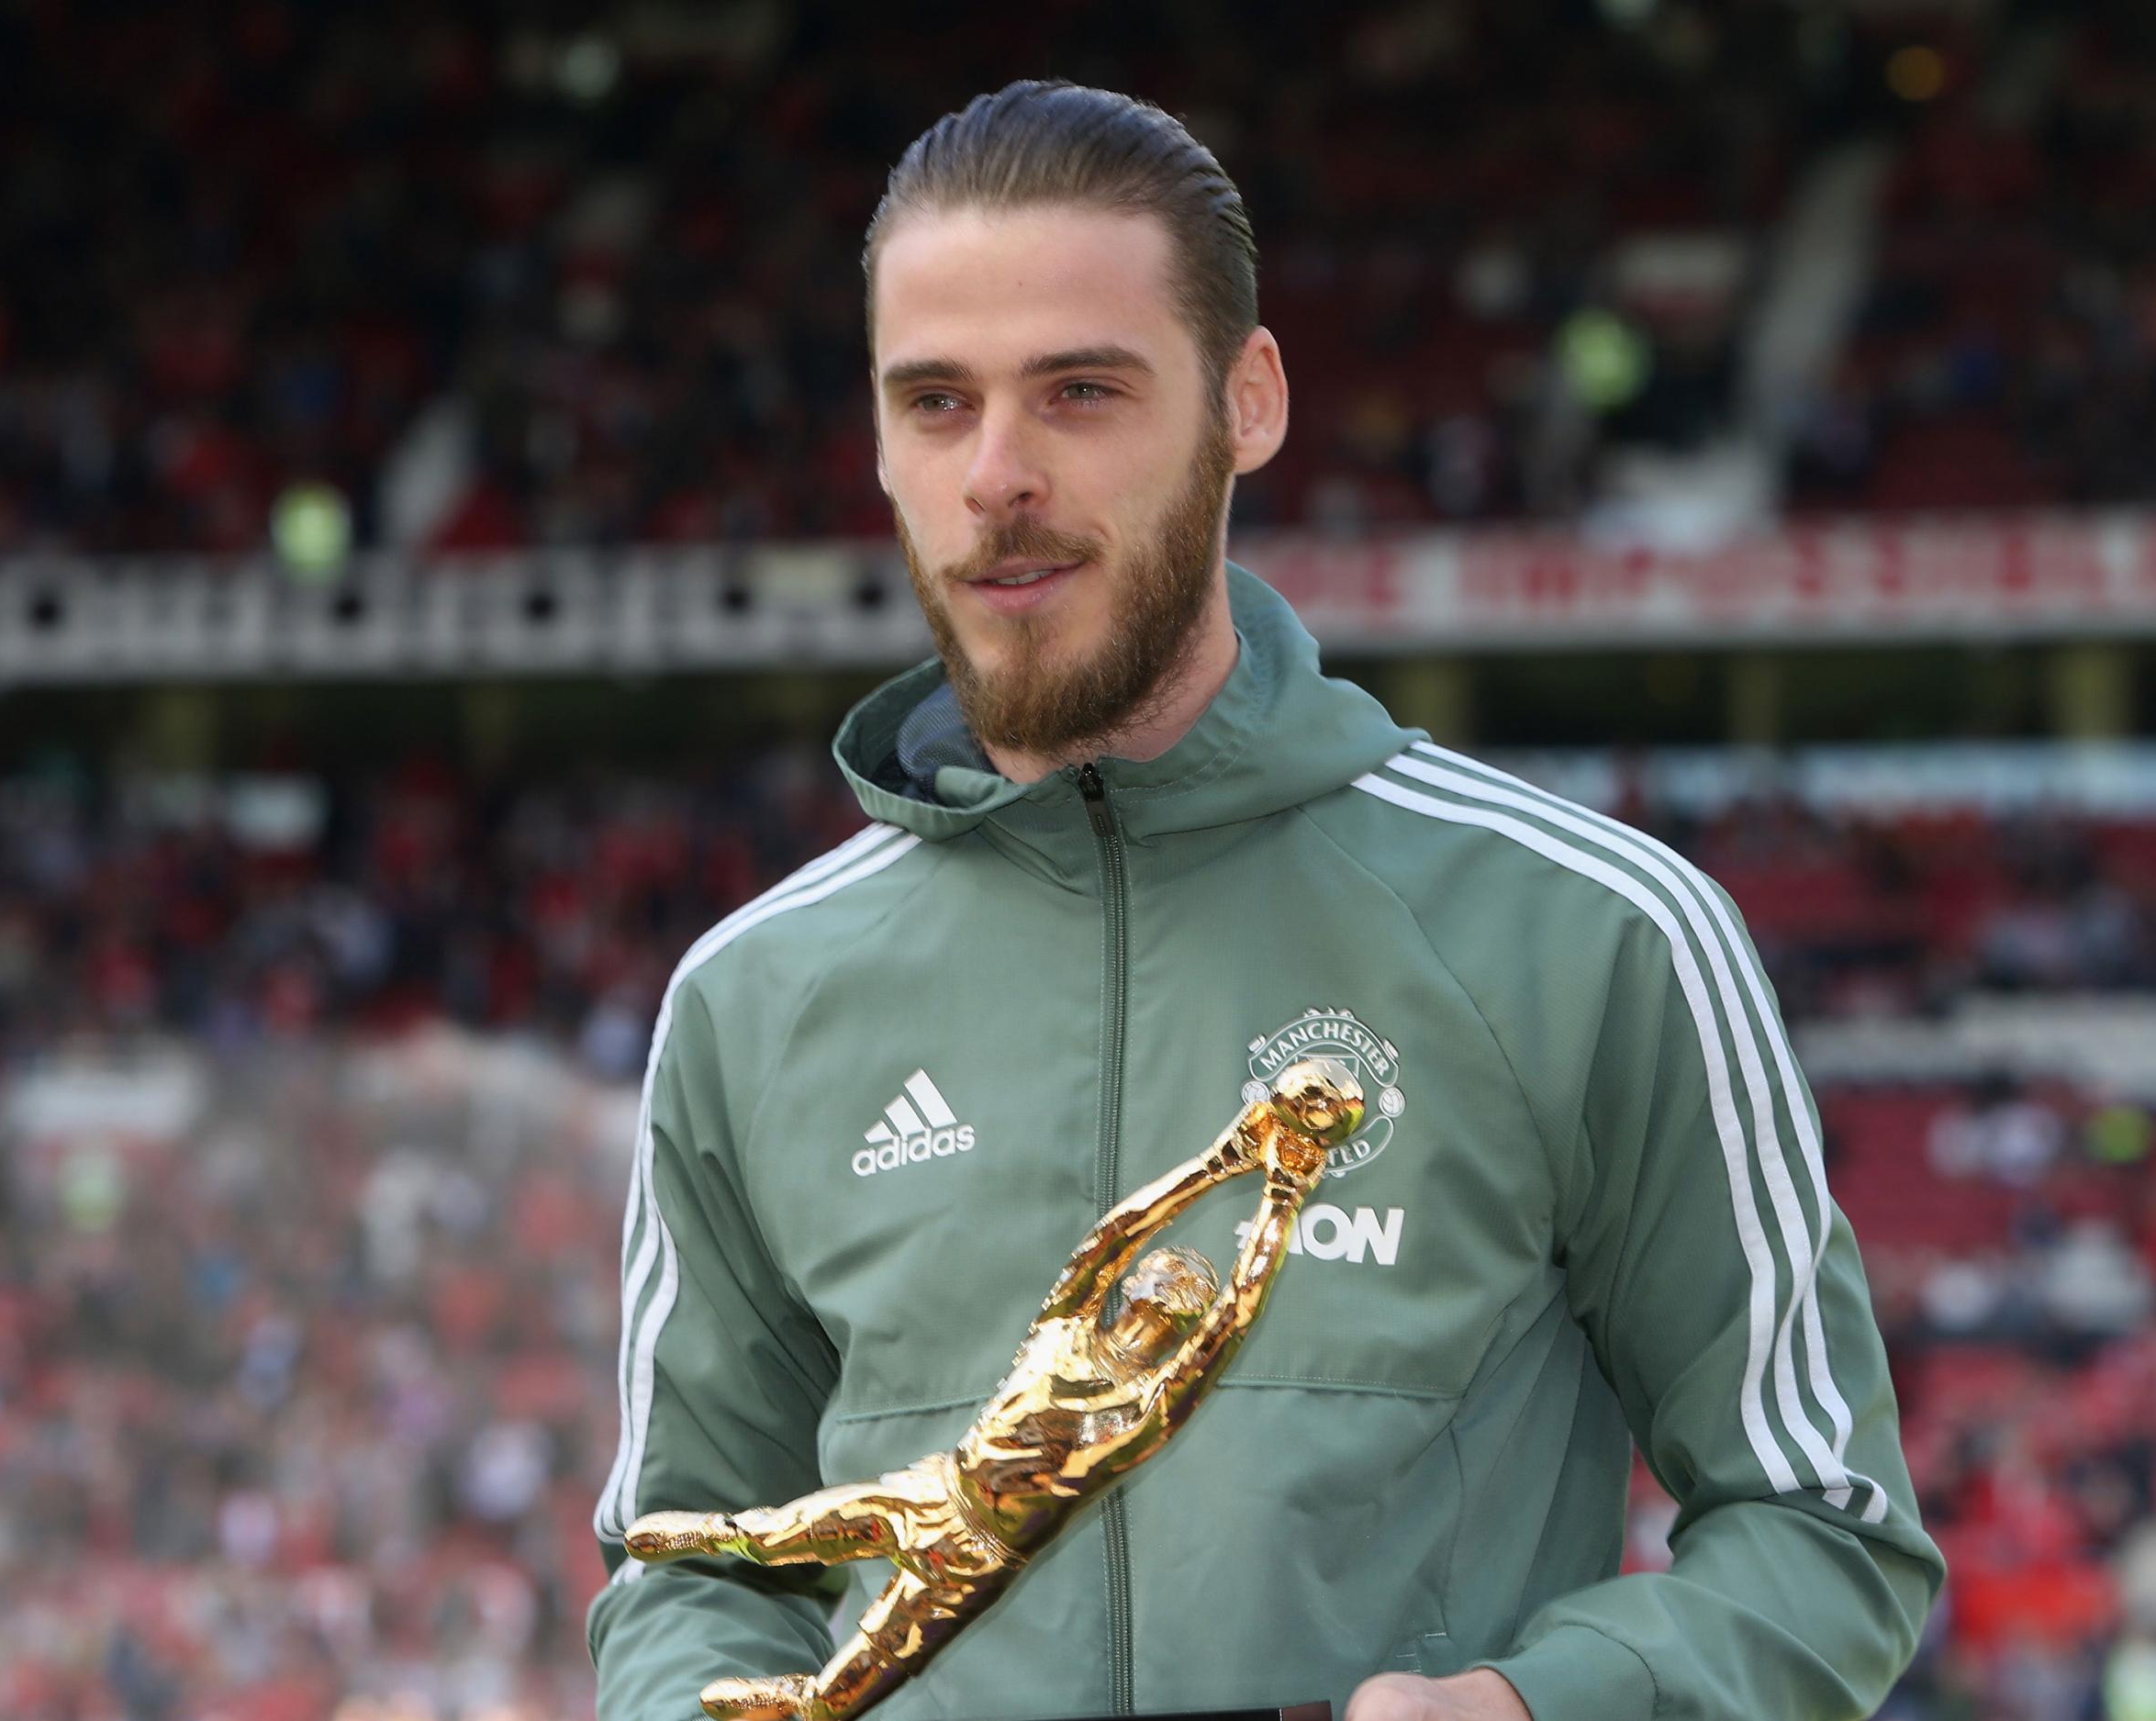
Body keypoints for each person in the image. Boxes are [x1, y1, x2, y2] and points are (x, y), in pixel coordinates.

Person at [588, 79, 1944, 1721]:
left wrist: (1539, 1709)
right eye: (935, 404)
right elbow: (693, 1572)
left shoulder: (1595, 932)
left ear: (1249, 401)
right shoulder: (753, 999)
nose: (996, 475)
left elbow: (1830, 1531)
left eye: (1080, 392)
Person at [618, 1061, 1352, 1719]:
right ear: (1138, 1288)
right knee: (791, 1530)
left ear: (1178, 1320)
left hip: (988, 1552)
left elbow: (1236, 1313)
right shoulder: (1066, 1333)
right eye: (1162, 1283)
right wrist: (1223, 1160)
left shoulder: (1145, 1408)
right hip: (938, 1490)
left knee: (874, 1666)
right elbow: (1117, 1232)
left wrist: (1283, 1194)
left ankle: (801, 1704)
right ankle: (714, 1534)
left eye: (1178, 1301)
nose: (1165, 1298)